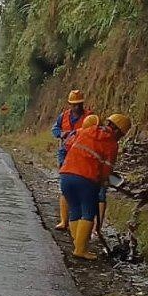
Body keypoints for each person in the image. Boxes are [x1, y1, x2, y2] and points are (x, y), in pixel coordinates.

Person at [60, 115, 130, 259]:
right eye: (121, 135)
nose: (120, 138)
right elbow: (107, 168)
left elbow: (68, 142)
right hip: (86, 179)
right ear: (117, 131)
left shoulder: (87, 130)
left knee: (75, 209)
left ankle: (77, 243)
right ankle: (80, 250)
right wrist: (104, 181)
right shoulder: (111, 143)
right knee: (88, 212)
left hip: (66, 175)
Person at [50, 90, 93, 230]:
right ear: (69, 104)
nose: (77, 107)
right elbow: (55, 129)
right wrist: (61, 133)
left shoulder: (89, 117)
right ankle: (64, 221)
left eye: (79, 104)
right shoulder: (63, 116)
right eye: (74, 105)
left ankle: (80, 219)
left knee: (81, 185)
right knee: (65, 186)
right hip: (66, 152)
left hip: (82, 155)